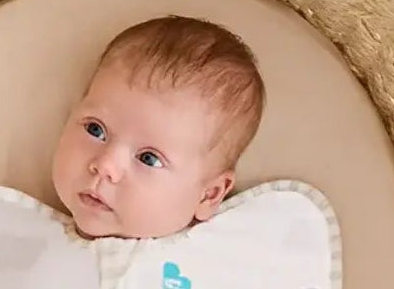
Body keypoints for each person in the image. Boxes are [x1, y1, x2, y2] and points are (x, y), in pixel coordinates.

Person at [51, 15, 265, 239]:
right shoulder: (22, 231)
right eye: (95, 129)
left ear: (209, 195)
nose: (106, 165)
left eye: (149, 158)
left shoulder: (227, 256)